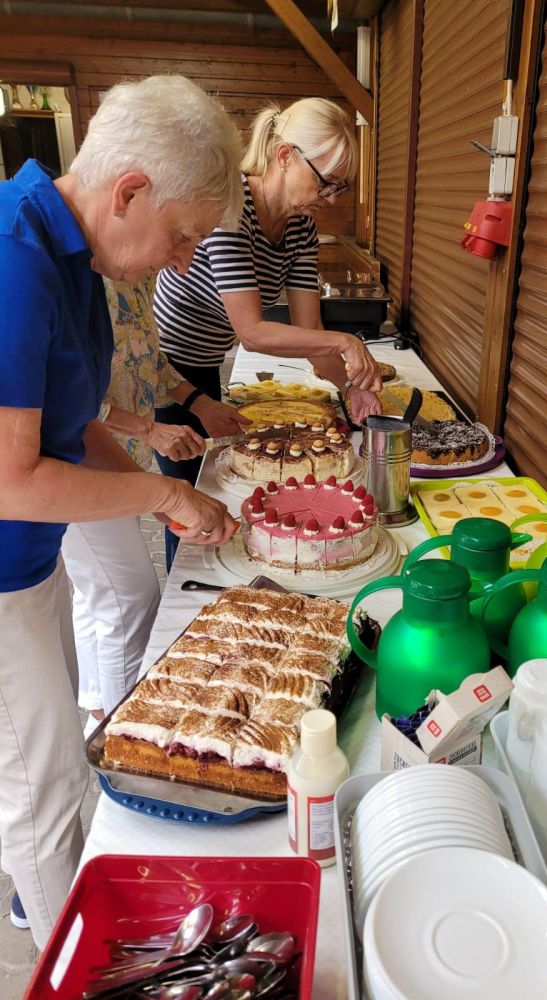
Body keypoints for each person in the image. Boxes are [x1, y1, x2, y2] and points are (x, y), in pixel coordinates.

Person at [0, 74, 243, 947]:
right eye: (181, 237)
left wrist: (173, 496)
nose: (181, 262)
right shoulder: (15, 257)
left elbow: (75, 427)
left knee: (50, 748)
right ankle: (74, 959)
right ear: (129, 191)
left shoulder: (73, 257)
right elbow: (11, 479)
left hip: (30, 562)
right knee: (44, 790)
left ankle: (47, 900)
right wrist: (160, 490)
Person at [153, 97, 383, 568]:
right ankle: (185, 586)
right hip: (164, 366)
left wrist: (350, 389)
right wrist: (346, 342)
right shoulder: (230, 208)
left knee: (210, 489)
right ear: (284, 156)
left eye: (340, 188)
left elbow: (309, 330)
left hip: (206, 361)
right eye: (326, 182)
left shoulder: (300, 227)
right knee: (188, 497)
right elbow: (253, 332)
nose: (332, 198)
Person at [61, 275, 247, 734]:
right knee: (131, 599)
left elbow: (151, 362)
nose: (185, 260)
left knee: (98, 589)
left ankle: (98, 708)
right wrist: (148, 430)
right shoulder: (82, 280)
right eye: (183, 241)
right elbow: (72, 401)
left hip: (120, 461)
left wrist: (200, 403)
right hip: (81, 465)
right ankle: (126, 732)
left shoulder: (139, 278)